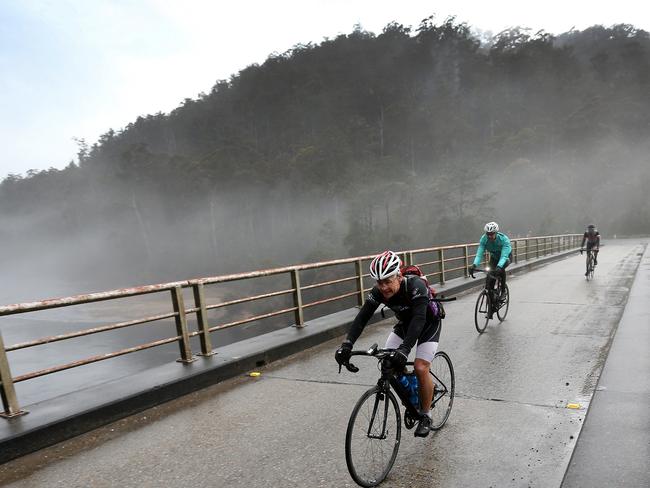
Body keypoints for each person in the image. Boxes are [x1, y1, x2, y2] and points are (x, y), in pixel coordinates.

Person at [334, 250, 441, 438]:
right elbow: (362, 318)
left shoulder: (416, 286)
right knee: (387, 361)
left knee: (421, 367)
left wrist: (405, 350)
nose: (383, 287)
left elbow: (418, 319)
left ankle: (425, 415)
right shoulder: (379, 292)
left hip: (427, 323)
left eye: (387, 281)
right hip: (405, 324)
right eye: (379, 282)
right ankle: (413, 391)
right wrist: (347, 345)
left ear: (399, 276)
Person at [469, 222, 512, 310]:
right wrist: (474, 265)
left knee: (501, 269)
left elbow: (504, 256)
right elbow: (479, 254)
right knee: (489, 277)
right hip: (494, 257)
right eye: (488, 234)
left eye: (492, 234)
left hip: (506, 257)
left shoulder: (504, 240)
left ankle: (503, 291)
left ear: (496, 233)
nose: (489, 236)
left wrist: (499, 267)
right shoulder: (484, 239)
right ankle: (491, 299)